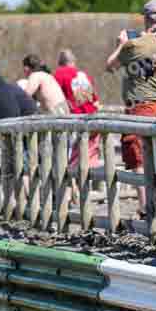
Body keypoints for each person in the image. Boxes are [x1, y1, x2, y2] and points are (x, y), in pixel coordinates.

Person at [106, 0, 156, 216]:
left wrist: (120, 44)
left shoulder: (135, 44)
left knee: (138, 157)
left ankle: (147, 206)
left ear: (146, 18)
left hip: (140, 107)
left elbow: (110, 66)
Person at [54, 50, 101, 202]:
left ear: (60, 62)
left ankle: (68, 195)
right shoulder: (84, 75)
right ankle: (82, 192)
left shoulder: (59, 74)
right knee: (85, 159)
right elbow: (94, 99)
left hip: (74, 120)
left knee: (67, 160)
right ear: (74, 61)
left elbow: (55, 97)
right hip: (92, 119)